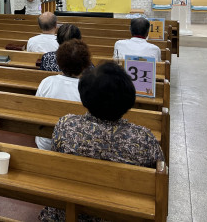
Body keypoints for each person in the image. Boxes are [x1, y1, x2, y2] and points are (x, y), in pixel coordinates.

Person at [38, 62, 164, 222]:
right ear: (128, 98)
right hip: (120, 214)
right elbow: (155, 184)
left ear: (84, 96)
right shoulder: (144, 139)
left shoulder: (66, 125)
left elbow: (57, 162)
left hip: (69, 213)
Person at [35, 39, 91, 150]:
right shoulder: (90, 88)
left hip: (46, 142)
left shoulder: (47, 82)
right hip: (77, 146)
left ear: (59, 62)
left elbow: (37, 109)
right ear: (85, 65)